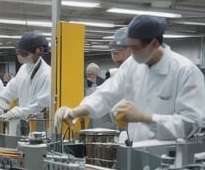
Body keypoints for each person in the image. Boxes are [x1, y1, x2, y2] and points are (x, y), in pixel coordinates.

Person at [55, 15, 205, 142]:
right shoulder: (132, 65)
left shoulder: (185, 71)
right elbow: (107, 94)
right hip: (135, 150)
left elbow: (191, 123)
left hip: (170, 158)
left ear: (154, 43)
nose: (131, 53)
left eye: (135, 48)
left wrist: (144, 117)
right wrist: (75, 112)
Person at [0, 31, 51, 120]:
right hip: (22, 123)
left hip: (39, 126)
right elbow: (10, 91)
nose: (20, 56)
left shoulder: (47, 74)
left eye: (24, 54)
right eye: (19, 52)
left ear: (38, 51)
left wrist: (16, 113)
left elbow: (41, 106)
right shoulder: (23, 69)